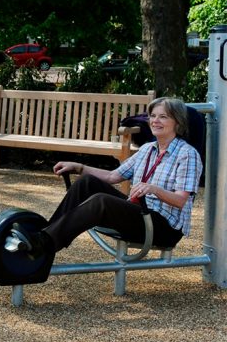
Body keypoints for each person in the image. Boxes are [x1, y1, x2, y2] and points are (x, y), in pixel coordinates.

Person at [15, 97, 203, 259]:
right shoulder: (147, 149)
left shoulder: (187, 154)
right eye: (153, 116)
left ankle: (44, 243)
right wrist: (79, 167)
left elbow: (180, 201)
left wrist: (153, 189)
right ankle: (43, 235)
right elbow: (114, 176)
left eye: (163, 116)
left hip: (163, 226)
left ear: (177, 122)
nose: (155, 121)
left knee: (101, 201)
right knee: (86, 182)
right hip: (139, 212)